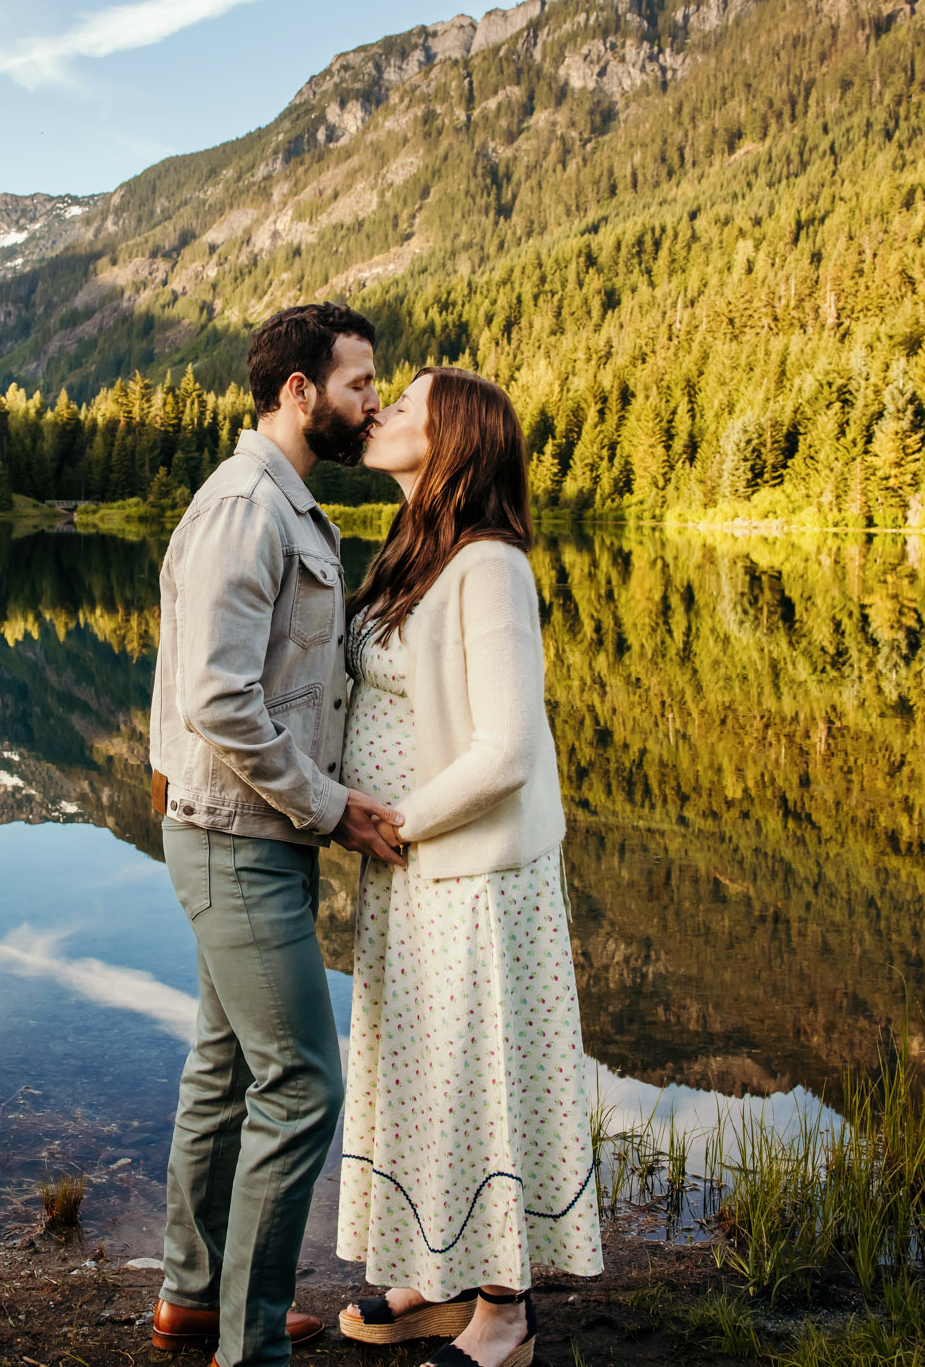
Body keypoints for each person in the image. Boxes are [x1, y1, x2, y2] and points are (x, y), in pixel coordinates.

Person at [148, 302, 411, 1367]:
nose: (373, 401)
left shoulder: (288, 506)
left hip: (252, 831)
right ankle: (249, 1344)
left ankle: (196, 1297)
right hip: (237, 834)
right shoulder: (246, 507)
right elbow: (217, 697)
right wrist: (333, 804)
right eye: (359, 383)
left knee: (225, 1068)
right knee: (304, 1082)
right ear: (298, 390)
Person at [330, 368, 601, 1367]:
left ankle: (503, 1304)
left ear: (453, 442)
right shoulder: (414, 552)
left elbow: (507, 750)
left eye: (407, 405)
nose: (385, 412)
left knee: (481, 1075)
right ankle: (434, 1272)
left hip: (472, 874)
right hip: (409, 874)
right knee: (420, 1075)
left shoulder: (490, 566)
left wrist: (396, 820)